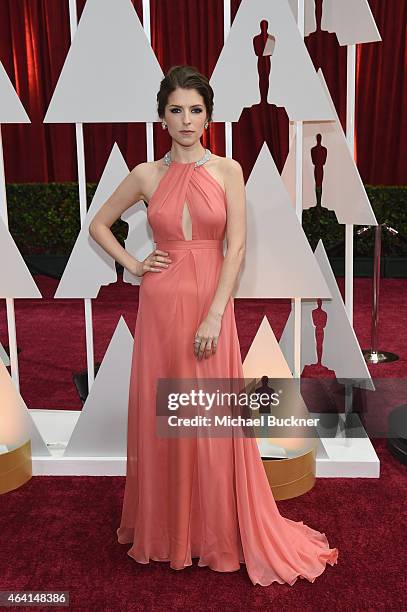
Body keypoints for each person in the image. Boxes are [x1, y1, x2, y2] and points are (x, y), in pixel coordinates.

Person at [89, 65, 338, 586]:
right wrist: (134, 266)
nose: (186, 120)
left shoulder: (228, 169)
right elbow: (98, 224)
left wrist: (214, 313)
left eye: (195, 110)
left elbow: (236, 247)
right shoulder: (143, 175)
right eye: (175, 110)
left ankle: (214, 529)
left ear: (208, 116)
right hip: (159, 305)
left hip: (211, 305)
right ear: (162, 117)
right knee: (166, 414)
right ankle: (167, 532)